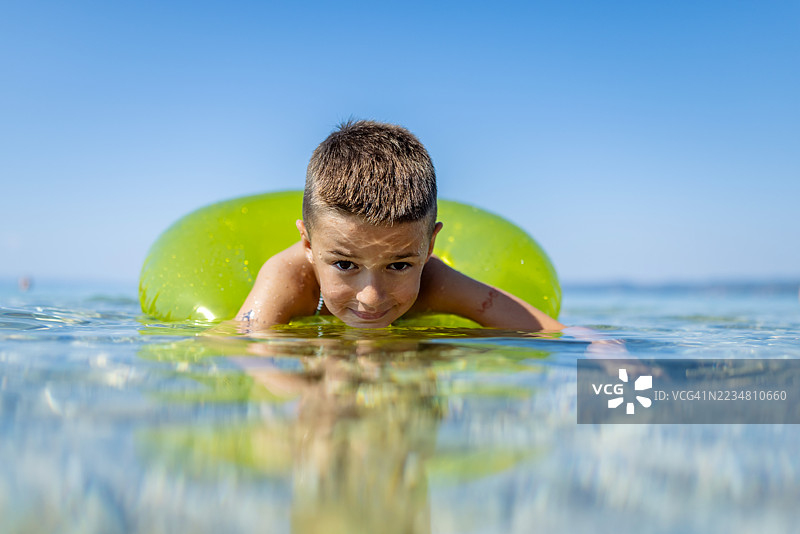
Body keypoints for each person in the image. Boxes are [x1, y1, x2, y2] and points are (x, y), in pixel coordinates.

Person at [237, 120, 565, 332]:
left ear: (429, 246)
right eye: (345, 264)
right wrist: (311, 390)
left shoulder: (434, 280)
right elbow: (245, 351)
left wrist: (604, 350)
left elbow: (542, 330)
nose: (371, 297)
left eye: (398, 265)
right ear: (308, 244)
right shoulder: (287, 278)